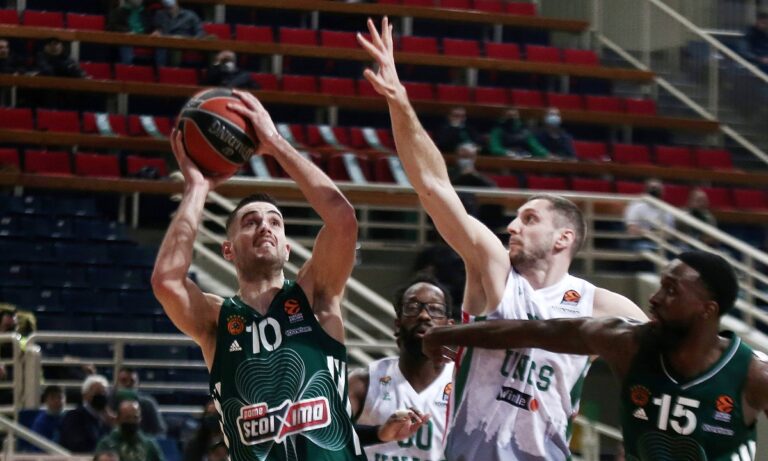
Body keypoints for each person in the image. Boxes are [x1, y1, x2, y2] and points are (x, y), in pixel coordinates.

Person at [358, 17, 647, 461]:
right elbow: (434, 186)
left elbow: (672, 358)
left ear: (563, 237)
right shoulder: (494, 272)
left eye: (529, 219)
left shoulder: (600, 305)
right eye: (515, 218)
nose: (512, 226)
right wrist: (400, 102)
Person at [151, 89, 366, 460]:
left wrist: (276, 144)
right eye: (250, 222)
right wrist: (197, 187)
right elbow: (167, 281)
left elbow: (343, 220)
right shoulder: (216, 319)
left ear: (287, 248)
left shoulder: (316, 295)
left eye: (275, 222)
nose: (265, 227)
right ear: (228, 249)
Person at [423, 250, 768, 460]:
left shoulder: (753, 374)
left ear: (707, 310)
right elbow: (536, 331)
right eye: (661, 285)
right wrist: (448, 334)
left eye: (671, 291)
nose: (655, 299)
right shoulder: (627, 342)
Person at [349, 276, 454, 461]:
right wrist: (379, 433)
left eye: (435, 309)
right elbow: (324, 436)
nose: (424, 315)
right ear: (397, 324)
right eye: (413, 308)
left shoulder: (462, 385)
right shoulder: (363, 382)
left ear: (449, 326)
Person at [95, 400, 164, 461]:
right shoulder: (107, 445)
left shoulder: (149, 445)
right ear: (118, 419)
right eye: (127, 418)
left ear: (140, 419)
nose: (131, 421)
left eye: (135, 417)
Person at [59, 374, 113, 453]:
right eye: (97, 392)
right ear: (85, 396)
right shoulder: (74, 417)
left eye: (104, 393)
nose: (101, 396)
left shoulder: (108, 420)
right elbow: (77, 446)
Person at [110, 366, 166, 437]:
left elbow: (160, 432)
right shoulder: (109, 404)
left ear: (137, 385)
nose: (128, 384)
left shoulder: (148, 404)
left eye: (132, 381)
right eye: (124, 381)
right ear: (116, 384)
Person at [624, 179, 675, 251]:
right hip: (640, 241)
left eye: (657, 189)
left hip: (662, 242)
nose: (654, 191)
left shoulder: (667, 210)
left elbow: (670, 234)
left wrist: (646, 232)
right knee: (647, 249)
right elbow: (632, 230)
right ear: (645, 190)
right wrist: (654, 233)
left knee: (681, 249)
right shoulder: (636, 206)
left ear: (663, 191)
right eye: (652, 188)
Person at [106, 0, 156, 65]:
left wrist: (156, 31)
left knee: (160, 42)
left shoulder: (145, 12)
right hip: (128, 40)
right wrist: (126, 31)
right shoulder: (118, 12)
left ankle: (160, 69)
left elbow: (152, 27)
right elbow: (111, 27)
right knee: (126, 41)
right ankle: (128, 67)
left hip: (145, 40)